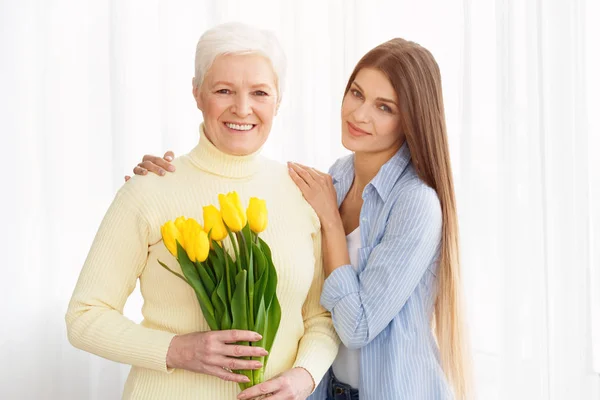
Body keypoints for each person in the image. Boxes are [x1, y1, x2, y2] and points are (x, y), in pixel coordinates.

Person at [131, 38, 473, 400]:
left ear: (411, 120)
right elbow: (312, 308)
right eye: (356, 93)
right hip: (328, 391)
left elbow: (357, 327)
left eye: (384, 107)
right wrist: (164, 182)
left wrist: (330, 221)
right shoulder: (335, 179)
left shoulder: (415, 203)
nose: (359, 114)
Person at [66, 22, 339, 400]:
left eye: (260, 92)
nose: (242, 108)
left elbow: (320, 319)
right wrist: (179, 350)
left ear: (279, 100)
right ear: (196, 92)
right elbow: (84, 317)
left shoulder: (301, 194)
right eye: (224, 90)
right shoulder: (150, 190)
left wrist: (304, 376)